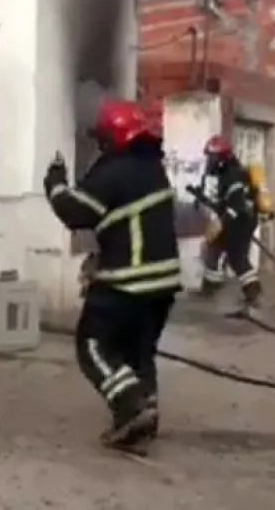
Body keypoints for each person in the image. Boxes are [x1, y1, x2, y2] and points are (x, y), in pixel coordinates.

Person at [44, 99, 181, 452]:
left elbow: (77, 212)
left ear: (113, 138)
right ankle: (144, 419)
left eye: (102, 138)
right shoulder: (151, 167)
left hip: (128, 281)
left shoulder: (115, 170)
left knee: (93, 345)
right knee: (138, 352)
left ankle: (131, 406)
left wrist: (56, 184)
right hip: (162, 283)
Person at [193, 135, 263, 308]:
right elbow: (224, 202)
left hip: (241, 221)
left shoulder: (234, 175)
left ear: (222, 158)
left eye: (212, 157)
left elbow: (237, 204)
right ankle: (211, 286)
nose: (209, 161)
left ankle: (252, 290)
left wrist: (222, 222)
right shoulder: (225, 174)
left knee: (236, 257)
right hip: (234, 219)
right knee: (216, 248)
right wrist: (202, 198)